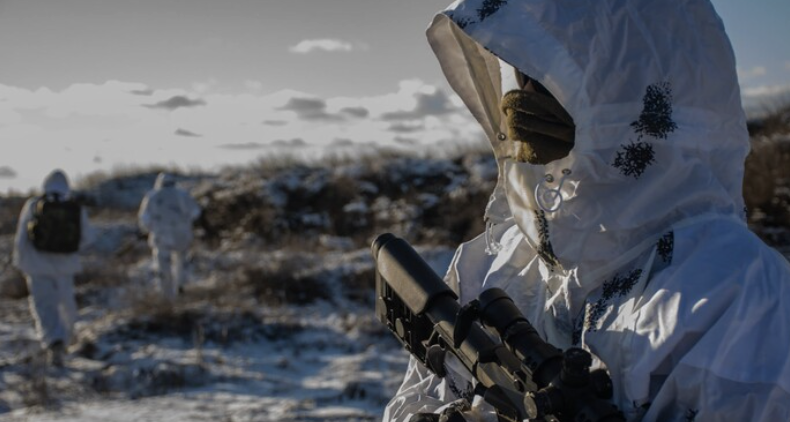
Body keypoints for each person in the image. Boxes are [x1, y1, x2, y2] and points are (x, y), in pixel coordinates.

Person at [384, 1, 790, 421]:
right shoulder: (489, 261)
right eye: (522, 71)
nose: (521, 97)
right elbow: (415, 400)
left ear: (636, 77)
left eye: (549, 73)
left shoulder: (741, 297)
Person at [13, 169, 94, 366]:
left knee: (44, 306)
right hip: (65, 266)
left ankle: (53, 342)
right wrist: (70, 250)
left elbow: (21, 237)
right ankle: (64, 339)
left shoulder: (34, 205)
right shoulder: (74, 208)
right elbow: (88, 238)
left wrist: (20, 261)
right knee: (66, 304)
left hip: (37, 265)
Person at [138, 172, 201, 301]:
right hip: (181, 234)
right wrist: (185, 222)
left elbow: (144, 218)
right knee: (181, 261)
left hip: (161, 235)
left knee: (162, 264)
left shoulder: (152, 196)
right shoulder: (182, 194)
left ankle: (166, 293)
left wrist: (151, 229)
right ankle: (180, 286)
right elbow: (195, 212)